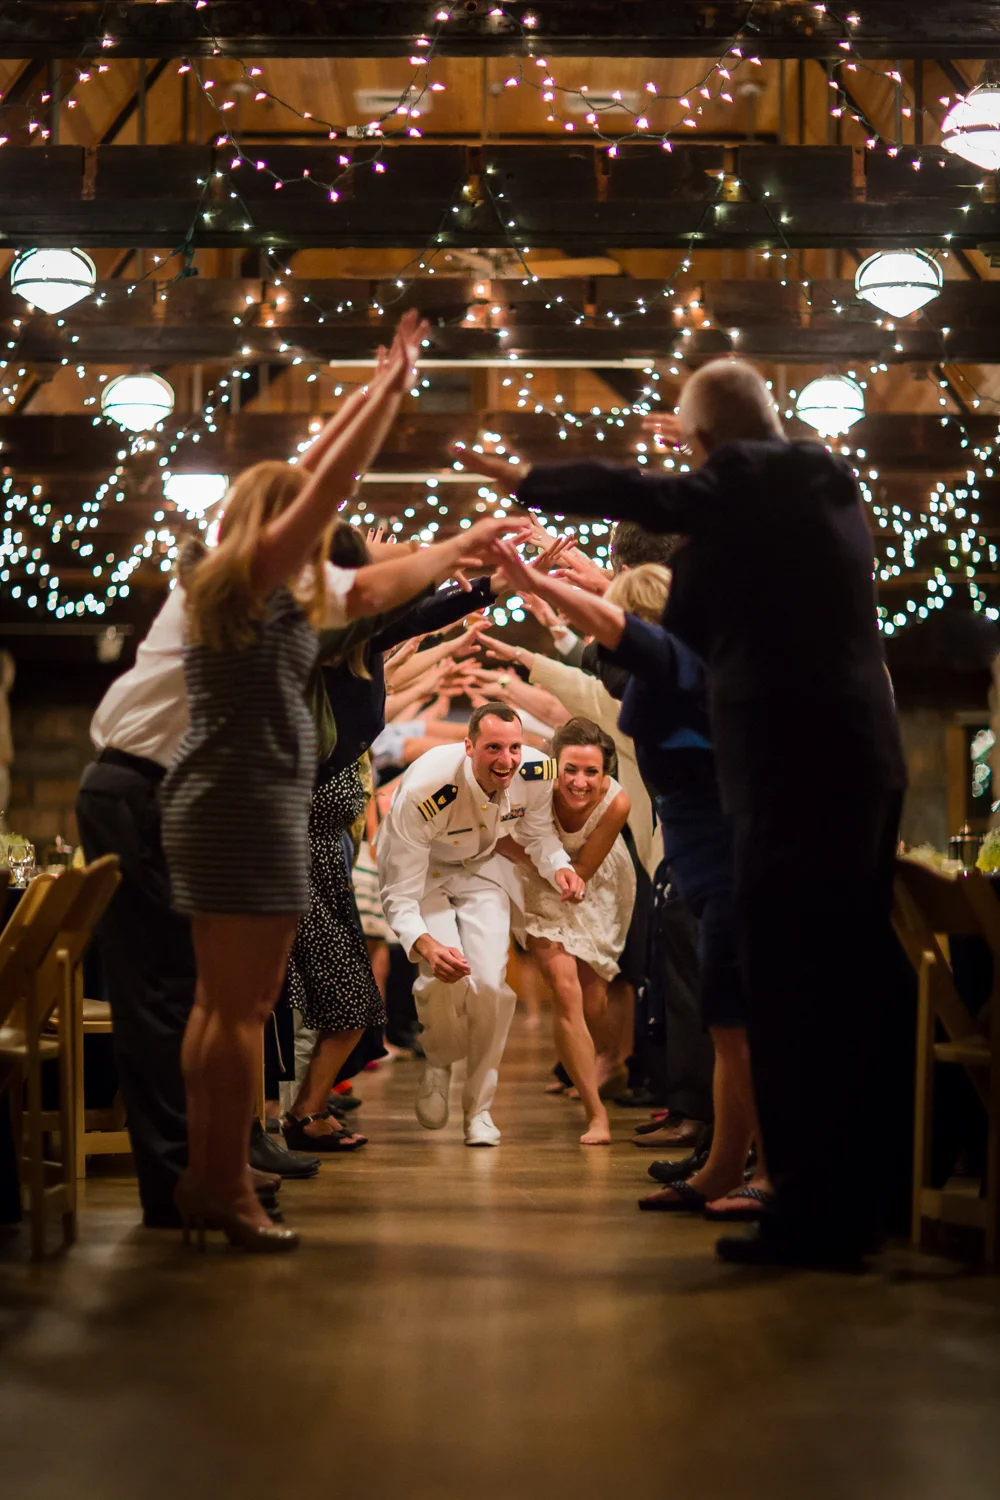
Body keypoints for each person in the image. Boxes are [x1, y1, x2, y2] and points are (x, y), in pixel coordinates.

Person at [477, 357, 906, 1267]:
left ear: (710, 439)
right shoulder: (754, 537)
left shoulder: (796, 471)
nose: (682, 458)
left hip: (810, 770)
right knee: (793, 991)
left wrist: (528, 482)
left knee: (799, 992)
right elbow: (664, 653)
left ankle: (824, 1214)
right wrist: (548, 590)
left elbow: (658, 499)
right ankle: (832, 1201)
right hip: (810, 770)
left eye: (686, 437)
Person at [156, 312, 525, 1251]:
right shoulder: (249, 576)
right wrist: (390, 393)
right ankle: (226, 1187)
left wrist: (465, 552)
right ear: (274, 526)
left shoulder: (243, 581)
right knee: (237, 1011)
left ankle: (208, 1178)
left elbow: (373, 594)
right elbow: (325, 495)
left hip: (220, 800)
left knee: (218, 1006)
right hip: (245, 805)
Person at [493, 551, 771, 1214]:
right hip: (697, 862)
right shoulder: (654, 679)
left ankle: (768, 1176)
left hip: (733, 859)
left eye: (622, 620)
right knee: (725, 1021)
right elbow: (588, 691)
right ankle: (723, 1165)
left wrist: (542, 586)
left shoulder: (694, 674)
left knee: (745, 1025)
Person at [376, 702, 585, 1145]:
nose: (506, 760)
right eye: (493, 748)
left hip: (482, 869)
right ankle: (438, 1061)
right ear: (468, 746)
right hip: (425, 874)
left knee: (490, 984)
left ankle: (480, 1110)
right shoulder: (428, 787)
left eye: (514, 747)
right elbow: (399, 891)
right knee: (441, 974)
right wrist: (425, 944)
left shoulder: (536, 771)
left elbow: (539, 833)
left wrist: (559, 866)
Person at [498, 718, 634, 1145]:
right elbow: (498, 834)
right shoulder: (529, 785)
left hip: (593, 885)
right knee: (565, 988)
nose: (579, 782)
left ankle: (610, 1059)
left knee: (593, 999)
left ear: (605, 774)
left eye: (591, 772)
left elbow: (584, 871)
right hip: (536, 881)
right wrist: (539, 861)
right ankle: (597, 1116)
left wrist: (562, 871)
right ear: (554, 767)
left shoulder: (616, 803)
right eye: (570, 769)